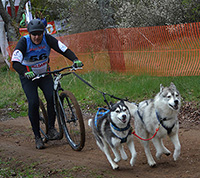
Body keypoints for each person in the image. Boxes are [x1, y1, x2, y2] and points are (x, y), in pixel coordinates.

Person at [11, 19, 83, 149]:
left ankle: (51, 128)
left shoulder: (48, 39)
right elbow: (15, 63)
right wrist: (25, 72)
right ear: (29, 34)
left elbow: (63, 49)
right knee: (33, 102)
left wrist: (75, 60)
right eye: (34, 34)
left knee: (51, 98)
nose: (37, 37)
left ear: (43, 32)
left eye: (39, 34)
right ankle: (37, 136)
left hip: (44, 74)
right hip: (29, 77)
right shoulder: (24, 42)